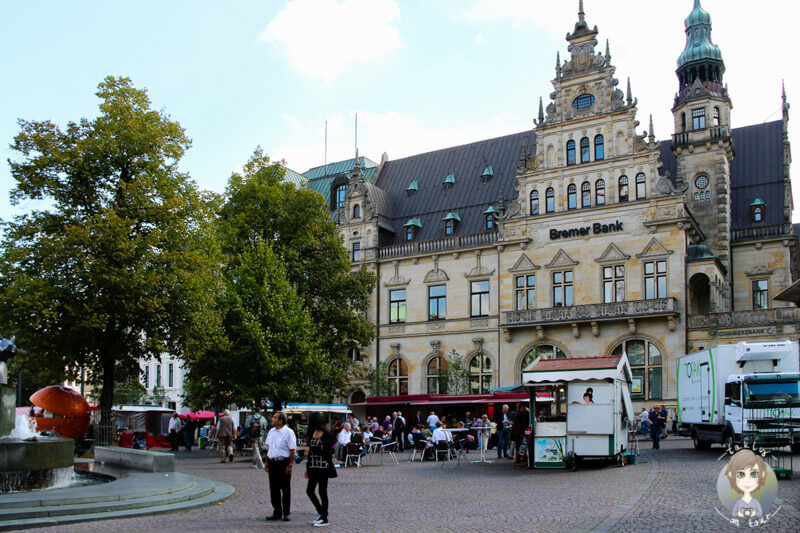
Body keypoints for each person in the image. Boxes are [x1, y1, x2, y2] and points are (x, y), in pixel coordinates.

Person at [305, 412, 336, 527]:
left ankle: (324, 517)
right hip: (313, 466)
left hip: (323, 466)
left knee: (322, 492)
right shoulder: (313, 433)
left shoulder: (326, 434)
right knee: (309, 490)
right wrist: (307, 467)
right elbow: (310, 454)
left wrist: (313, 449)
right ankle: (321, 512)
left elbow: (327, 453)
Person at [264, 411, 297, 522]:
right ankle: (277, 511)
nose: (272, 419)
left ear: (280, 421)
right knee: (274, 488)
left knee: (285, 488)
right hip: (273, 462)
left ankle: (286, 513)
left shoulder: (288, 432)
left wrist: (290, 465)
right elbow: (270, 448)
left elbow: (292, 450)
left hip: (283, 462)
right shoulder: (271, 432)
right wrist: (267, 462)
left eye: (274, 417)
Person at [725, 449, 767, 519]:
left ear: (762, 475)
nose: (747, 480)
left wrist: (753, 513)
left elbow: (759, 513)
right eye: (741, 474)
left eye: (754, 474)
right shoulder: (739, 502)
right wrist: (739, 513)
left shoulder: (755, 502)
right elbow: (734, 513)